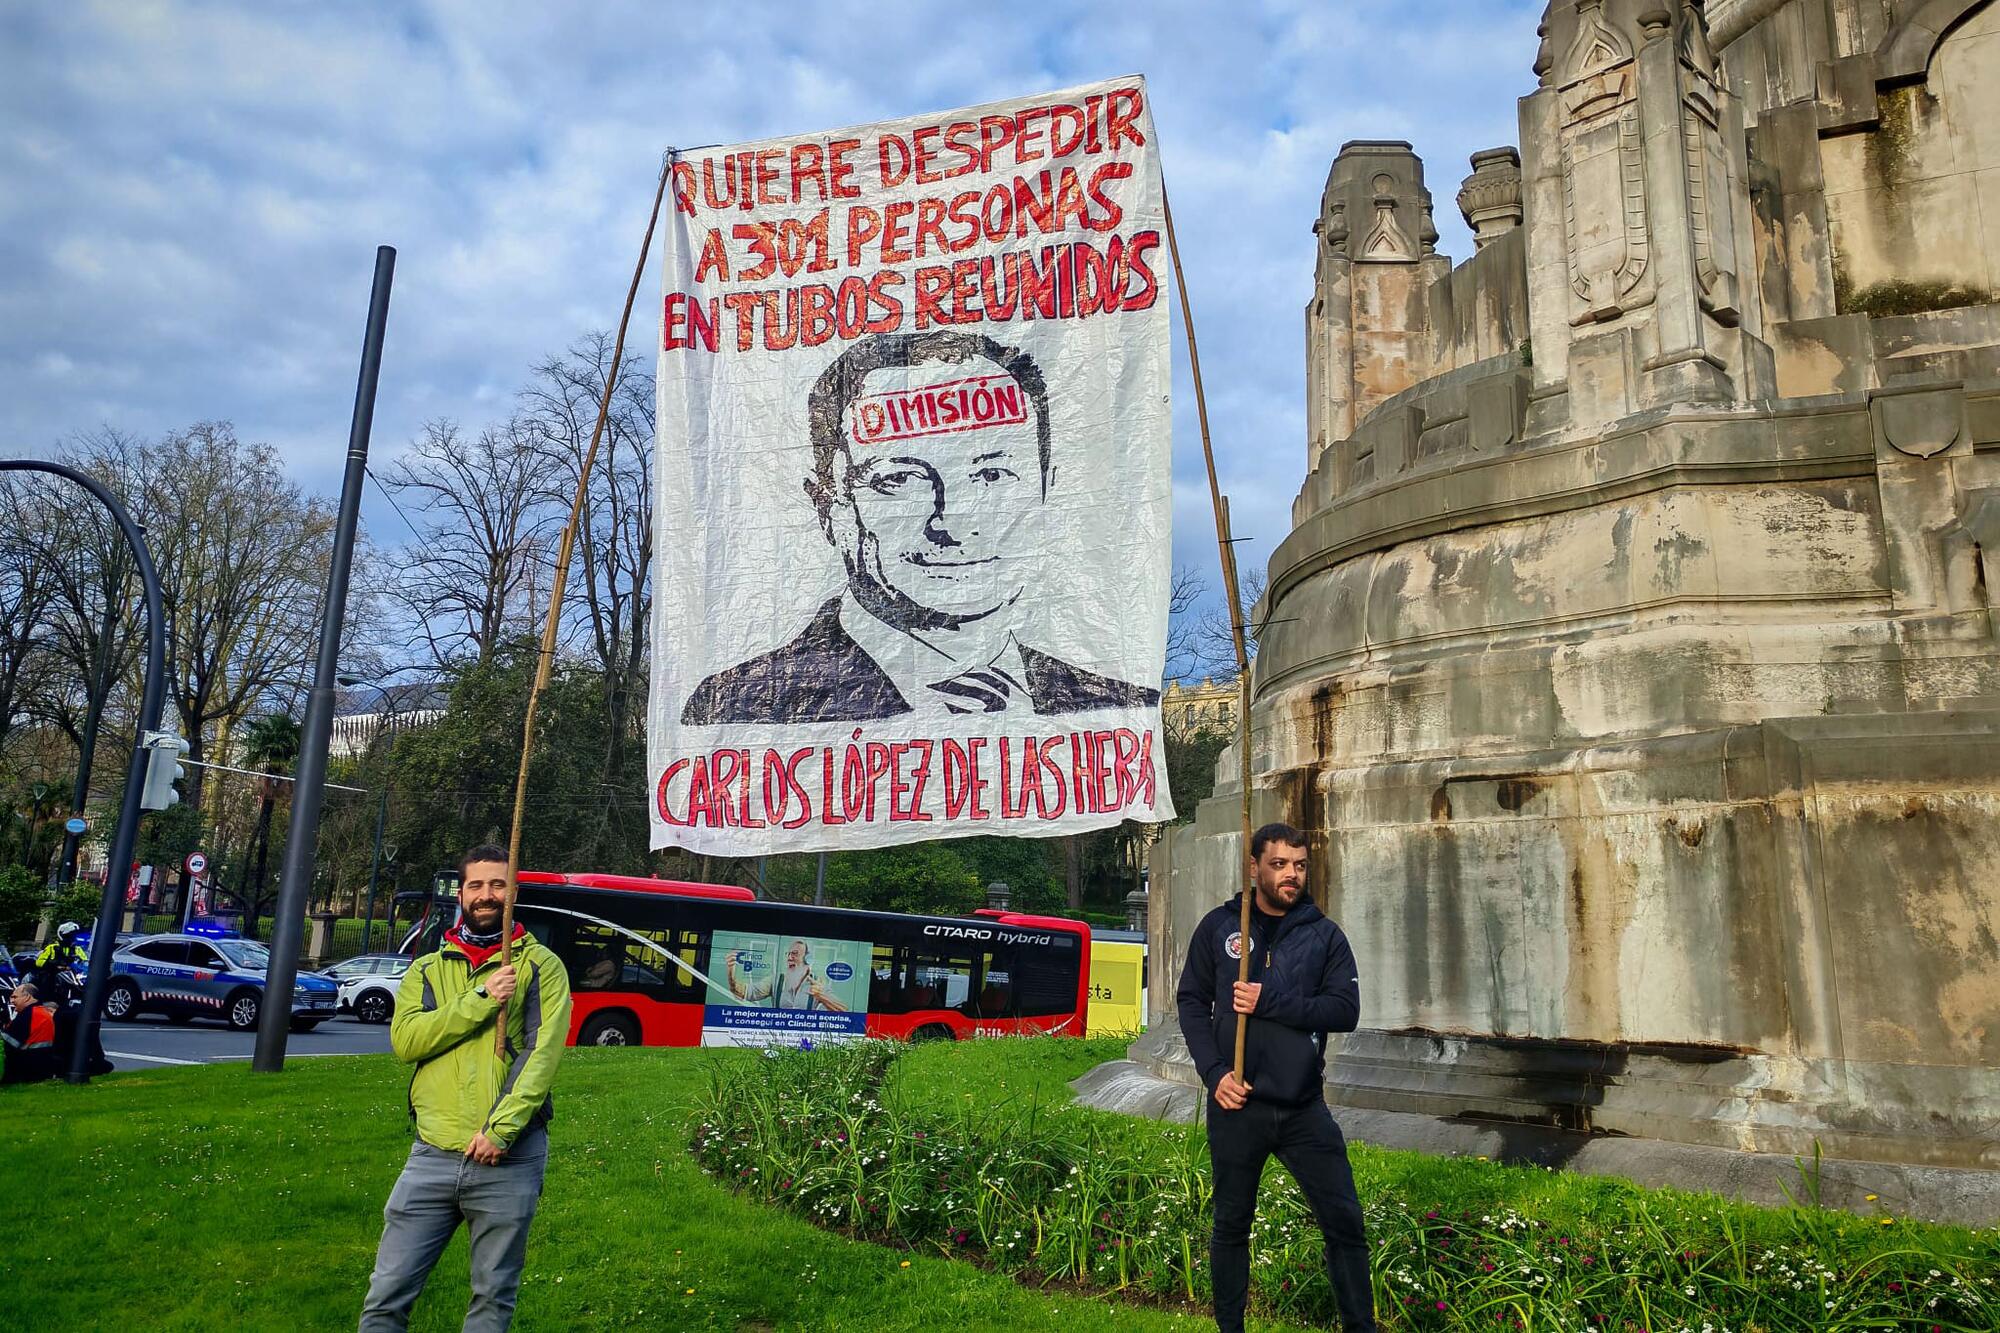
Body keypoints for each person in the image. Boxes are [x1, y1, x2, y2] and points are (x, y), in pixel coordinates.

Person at [681, 330, 1161, 724]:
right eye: (900, 479)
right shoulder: (739, 710)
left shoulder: (1113, 710)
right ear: (831, 508)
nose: (953, 523)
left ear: (1044, 489)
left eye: (993, 475)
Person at [358, 844, 572, 1333]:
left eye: (498, 884)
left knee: (492, 1298)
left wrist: (500, 1132)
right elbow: (408, 1041)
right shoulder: (428, 969)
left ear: (513, 892)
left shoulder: (541, 967)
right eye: (476, 885)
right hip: (431, 1155)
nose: (486, 895)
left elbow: (541, 1057)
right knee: (386, 1296)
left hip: (508, 1159)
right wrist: (480, 998)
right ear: (462, 893)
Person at [1175, 822, 1374, 1333]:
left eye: (1300, 865)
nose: (1292, 875)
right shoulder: (1221, 928)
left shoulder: (1324, 935)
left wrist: (1271, 1000)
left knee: (1344, 1222)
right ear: (1255, 868)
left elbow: (1344, 1010)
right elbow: (1192, 1002)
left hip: (1303, 1106)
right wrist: (1214, 1073)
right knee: (1231, 1224)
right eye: (1280, 864)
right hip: (1238, 1103)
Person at [725, 939, 847, 1012]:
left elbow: (843, 1011)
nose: (789, 958)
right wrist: (731, 972)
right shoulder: (776, 980)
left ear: (808, 959)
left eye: (795, 954)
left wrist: (821, 995)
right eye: (788, 954)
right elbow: (744, 993)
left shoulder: (818, 982)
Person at [1, 981, 59, 1085]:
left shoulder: (29, 1015)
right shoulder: (42, 1013)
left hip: (24, 1073)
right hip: (41, 1069)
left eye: (15, 997)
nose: (12, 1001)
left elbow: (9, 1044)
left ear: (27, 997)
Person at [30, 922, 86, 1007]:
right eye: (69, 935)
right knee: (46, 983)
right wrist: (53, 964)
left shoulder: (77, 949)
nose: (72, 938)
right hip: (53, 974)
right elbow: (39, 962)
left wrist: (81, 965)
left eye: (73, 935)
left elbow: (85, 962)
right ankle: (43, 1002)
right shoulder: (52, 947)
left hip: (71, 975)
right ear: (63, 935)